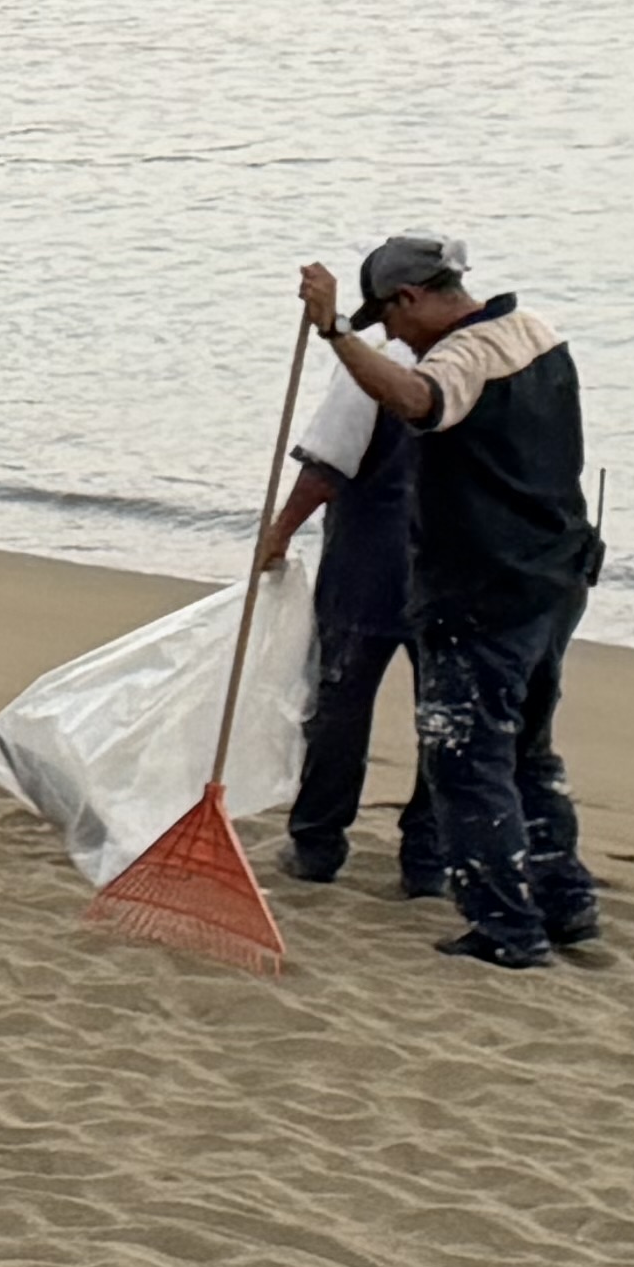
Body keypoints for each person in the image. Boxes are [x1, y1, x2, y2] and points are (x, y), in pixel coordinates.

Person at [298, 234, 604, 972]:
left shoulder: (458, 359)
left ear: (411, 298)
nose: (392, 335)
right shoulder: (536, 332)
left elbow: (418, 400)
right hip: (556, 573)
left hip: (484, 588)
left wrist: (335, 332)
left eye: (389, 318)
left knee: (467, 758)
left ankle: (506, 927)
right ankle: (566, 903)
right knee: (530, 748)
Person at [255, 247, 437, 895]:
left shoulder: (376, 366)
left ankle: (318, 843)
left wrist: (276, 535)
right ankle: (428, 859)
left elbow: (327, 465)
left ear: (404, 301)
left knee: (340, 703)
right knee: (439, 715)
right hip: (450, 565)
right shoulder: (476, 361)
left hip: (374, 561)